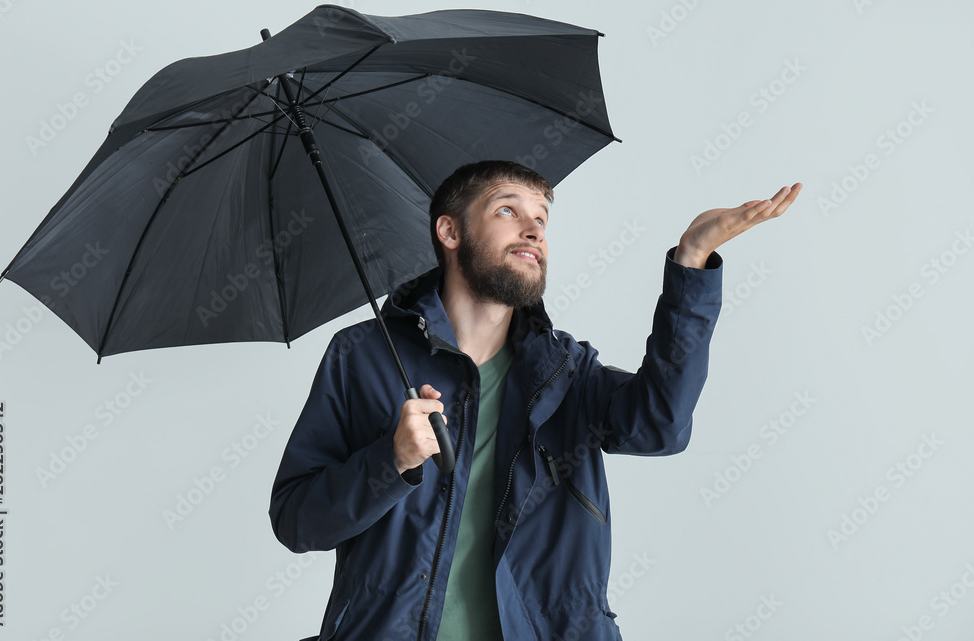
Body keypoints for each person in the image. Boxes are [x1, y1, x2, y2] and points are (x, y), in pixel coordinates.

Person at [269, 160, 800, 640]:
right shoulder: (361, 356)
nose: (534, 230)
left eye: (542, 218)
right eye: (508, 210)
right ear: (450, 232)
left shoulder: (565, 370)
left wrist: (692, 261)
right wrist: (392, 460)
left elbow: (661, 426)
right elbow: (296, 521)